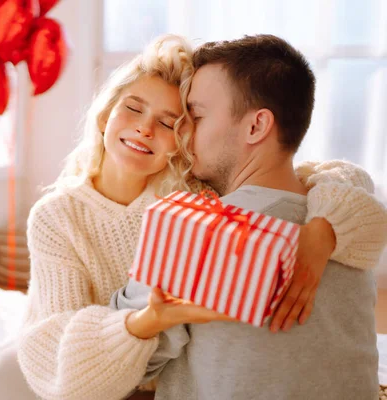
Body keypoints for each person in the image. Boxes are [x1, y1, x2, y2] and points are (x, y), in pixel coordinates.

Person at [0, 35, 386, 400]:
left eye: (178, 121)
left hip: (138, 369)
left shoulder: (197, 202)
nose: (144, 130)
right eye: (133, 109)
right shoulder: (59, 215)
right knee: (10, 371)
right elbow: (55, 350)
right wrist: (147, 321)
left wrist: (323, 229)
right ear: (106, 113)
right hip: (92, 366)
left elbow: (328, 175)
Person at [111, 34, 387, 400]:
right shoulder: (347, 221)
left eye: (195, 116)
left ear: (256, 126)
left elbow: (120, 368)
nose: (182, 133)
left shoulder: (197, 230)